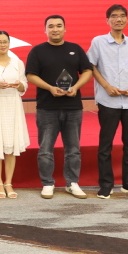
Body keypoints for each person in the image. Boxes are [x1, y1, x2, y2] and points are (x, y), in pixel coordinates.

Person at [25, 15, 93, 200]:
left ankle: (72, 183)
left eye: (59, 26)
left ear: (65, 29)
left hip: (73, 107)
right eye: (51, 26)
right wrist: (49, 88)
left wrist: (76, 87)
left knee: (73, 149)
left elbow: (87, 70)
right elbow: (30, 75)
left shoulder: (75, 49)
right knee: (45, 149)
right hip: (47, 107)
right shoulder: (37, 51)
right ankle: (47, 183)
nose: (55, 29)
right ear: (45, 30)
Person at [87, 5, 128, 199]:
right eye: (114, 16)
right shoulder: (98, 42)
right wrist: (106, 86)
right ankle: (106, 185)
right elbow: (91, 66)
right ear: (107, 20)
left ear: (127, 19)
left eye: (122, 16)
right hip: (108, 101)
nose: (118, 19)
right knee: (105, 145)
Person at [0, 31, 30, 199]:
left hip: (13, 105)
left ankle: (9, 182)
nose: (2, 45)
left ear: (9, 43)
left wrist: (19, 85)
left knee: (11, 144)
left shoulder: (18, 63)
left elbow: (24, 85)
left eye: (5, 42)